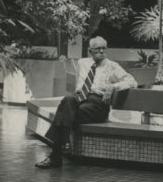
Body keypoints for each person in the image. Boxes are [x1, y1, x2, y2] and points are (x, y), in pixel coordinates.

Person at [35, 37, 138, 169]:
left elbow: (132, 81)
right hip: (80, 100)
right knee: (67, 100)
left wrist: (112, 87)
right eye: (98, 49)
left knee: (64, 111)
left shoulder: (112, 66)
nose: (101, 51)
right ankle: (62, 146)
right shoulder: (82, 63)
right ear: (90, 51)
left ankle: (56, 155)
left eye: (104, 48)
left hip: (98, 104)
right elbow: (79, 84)